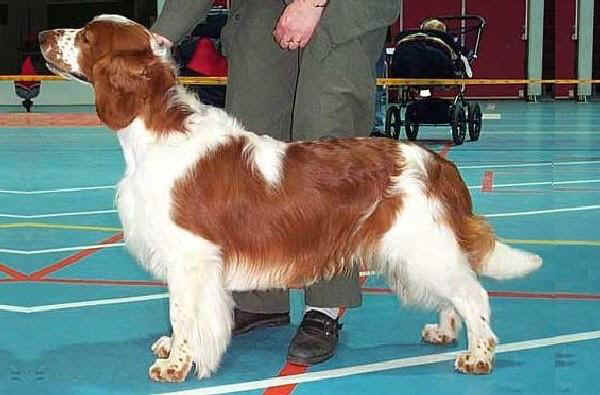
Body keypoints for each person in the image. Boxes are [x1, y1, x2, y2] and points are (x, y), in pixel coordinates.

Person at [151, 0, 400, 366]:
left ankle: (326, 305)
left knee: (323, 150)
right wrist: (162, 34)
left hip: (341, 9)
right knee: (249, 157)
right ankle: (259, 296)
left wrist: (313, 3)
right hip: (261, 10)